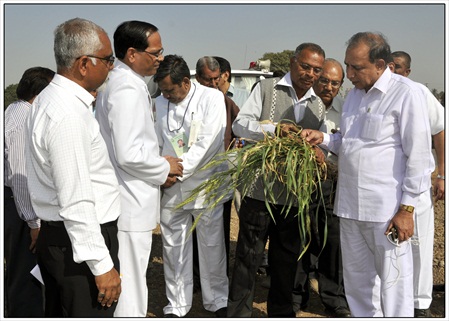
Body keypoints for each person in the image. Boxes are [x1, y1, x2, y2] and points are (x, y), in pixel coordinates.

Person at [301, 32, 434, 317]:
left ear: (380, 64)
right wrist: (323, 138)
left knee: (394, 284)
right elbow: (348, 143)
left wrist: (407, 210)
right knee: (358, 285)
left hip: (386, 213)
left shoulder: (406, 94)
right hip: (349, 208)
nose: (349, 74)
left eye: (356, 68)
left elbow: (419, 157)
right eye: (348, 65)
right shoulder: (353, 97)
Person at [25, 18, 122, 317]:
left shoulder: (51, 99)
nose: (112, 66)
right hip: (78, 245)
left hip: (63, 237)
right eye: (108, 59)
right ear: (83, 64)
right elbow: (76, 199)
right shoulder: (67, 114)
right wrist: (102, 265)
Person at [229, 42, 327, 317]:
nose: (310, 74)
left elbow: (323, 144)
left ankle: (281, 314)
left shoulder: (318, 105)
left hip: (294, 197)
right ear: (294, 62)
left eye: (316, 70)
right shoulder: (266, 88)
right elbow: (240, 125)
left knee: (286, 263)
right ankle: (238, 314)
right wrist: (273, 130)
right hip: (259, 191)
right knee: (248, 259)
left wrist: (319, 154)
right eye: (305, 66)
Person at [94, 21, 183, 317]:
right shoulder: (126, 89)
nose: (159, 58)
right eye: (155, 53)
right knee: (130, 282)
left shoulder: (124, 83)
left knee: (131, 276)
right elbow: (129, 154)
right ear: (132, 54)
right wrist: (164, 167)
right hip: (129, 199)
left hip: (129, 195)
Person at [153, 54, 229, 317]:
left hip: (205, 185)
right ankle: (177, 305)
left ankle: (217, 301)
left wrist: (177, 170)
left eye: (170, 90)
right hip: (170, 188)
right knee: (173, 248)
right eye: (162, 91)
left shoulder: (211, 98)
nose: (166, 95)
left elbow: (207, 143)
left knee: (212, 246)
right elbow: (154, 140)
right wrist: (162, 172)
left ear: (186, 82)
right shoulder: (158, 104)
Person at [292, 58, 351, 318]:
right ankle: (296, 295)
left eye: (334, 83)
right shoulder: (300, 106)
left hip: (335, 184)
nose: (328, 86)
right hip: (303, 182)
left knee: (332, 241)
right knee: (300, 238)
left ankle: (333, 298)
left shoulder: (348, 108)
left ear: (341, 84)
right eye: (324, 80)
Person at [391, 50, 445, 317]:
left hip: (419, 185)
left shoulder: (419, 92)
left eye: (398, 67)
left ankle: (419, 303)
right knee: (391, 245)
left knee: (419, 246)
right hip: (389, 186)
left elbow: (439, 130)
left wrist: (442, 174)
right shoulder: (376, 94)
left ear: (408, 72)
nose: (393, 71)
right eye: (388, 65)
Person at [4, 66, 55, 317]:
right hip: (20, 206)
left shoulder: (14, 110)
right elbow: (20, 176)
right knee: (26, 273)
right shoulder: (24, 120)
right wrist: (33, 222)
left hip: (16, 204)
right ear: (40, 93)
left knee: (18, 269)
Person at [194, 56, 240, 275]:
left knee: (218, 232)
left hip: (220, 180)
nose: (212, 84)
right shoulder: (188, 102)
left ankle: (218, 276)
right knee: (193, 233)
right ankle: (195, 274)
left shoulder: (228, 104)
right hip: (193, 179)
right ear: (196, 77)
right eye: (206, 79)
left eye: (215, 79)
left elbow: (240, 134)